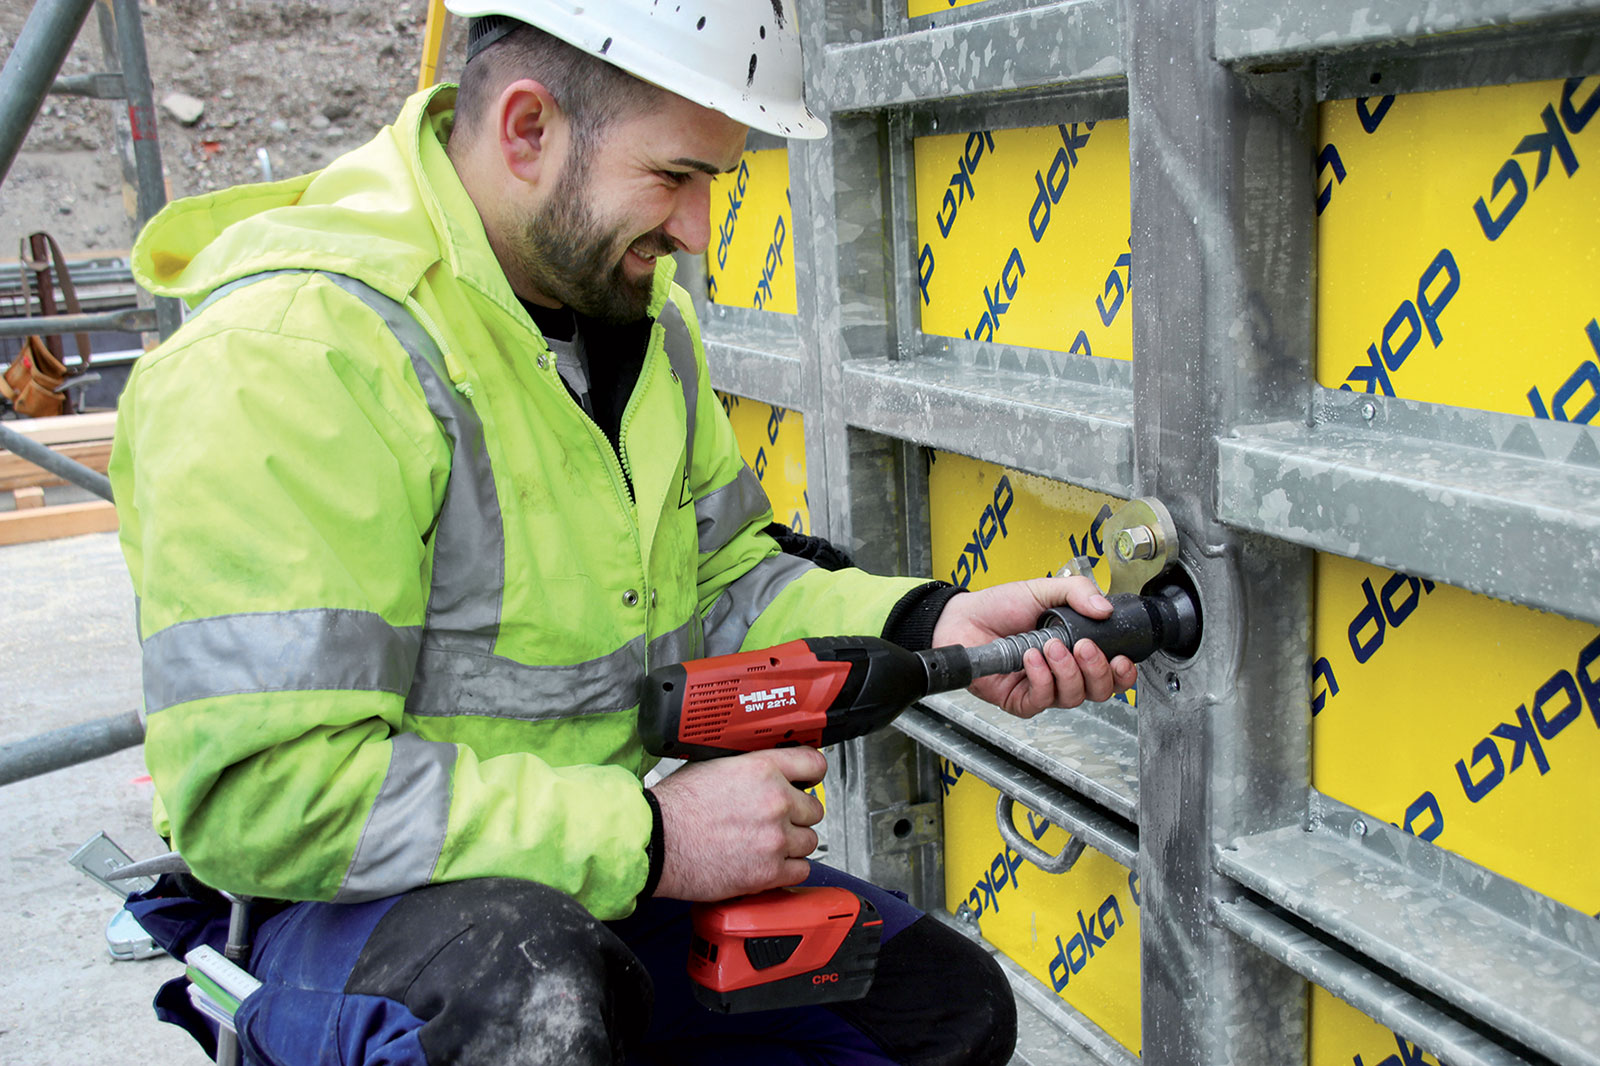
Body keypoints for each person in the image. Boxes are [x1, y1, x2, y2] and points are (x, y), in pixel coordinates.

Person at [109, 2, 1138, 1062]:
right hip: (346, 915)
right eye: (674, 177)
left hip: (584, 878)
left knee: (941, 1010)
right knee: (526, 1002)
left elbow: (723, 584)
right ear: (527, 130)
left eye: (713, 187)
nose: (696, 230)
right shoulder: (290, 355)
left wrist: (939, 625)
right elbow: (258, 793)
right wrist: (655, 838)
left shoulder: (642, 327)